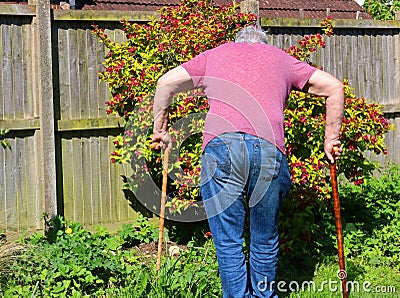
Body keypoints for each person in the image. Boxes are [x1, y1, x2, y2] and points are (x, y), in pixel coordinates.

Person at [152, 26, 344, 298]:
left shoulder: (214, 55)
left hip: (222, 148)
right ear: (263, 44)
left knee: (228, 240)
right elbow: (334, 87)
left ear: (237, 42)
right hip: (268, 150)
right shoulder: (281, 58)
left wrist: (160, 131)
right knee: (264, 239)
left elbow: (164, 84)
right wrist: (331, 139)